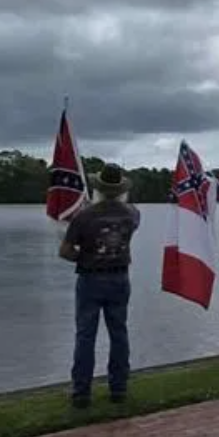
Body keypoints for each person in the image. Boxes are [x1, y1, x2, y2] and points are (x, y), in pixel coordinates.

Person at [59, 164, 140, 409]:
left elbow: (65, 251)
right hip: (120, 279)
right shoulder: (132, 214)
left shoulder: (84, 216)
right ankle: (119, 389)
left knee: (85, 336)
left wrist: (83, 257)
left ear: (99, 188)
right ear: (121, 189)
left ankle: (81, 392)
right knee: (119, 333)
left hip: (90, 279)